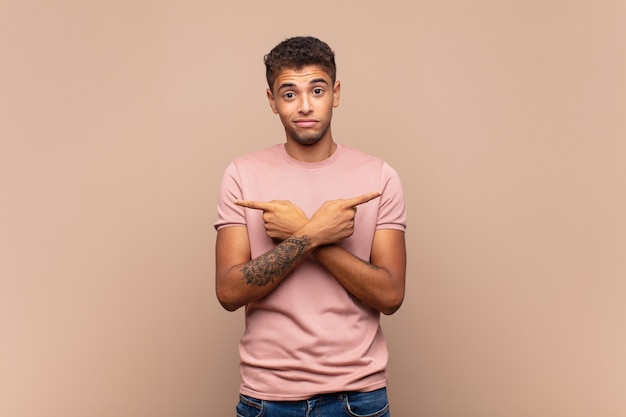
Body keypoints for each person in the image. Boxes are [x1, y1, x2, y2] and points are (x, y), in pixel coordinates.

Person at [214, 36, 407, 417]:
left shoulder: (379, 177)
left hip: (358, 397)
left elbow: (390, 295)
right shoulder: (242, 174)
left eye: (316, 90)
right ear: (272, 100)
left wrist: (305, 233)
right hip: (266, 399)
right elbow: (229, 291)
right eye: (289, 93)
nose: (305, 105)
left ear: (335, 93)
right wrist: (313, 233)